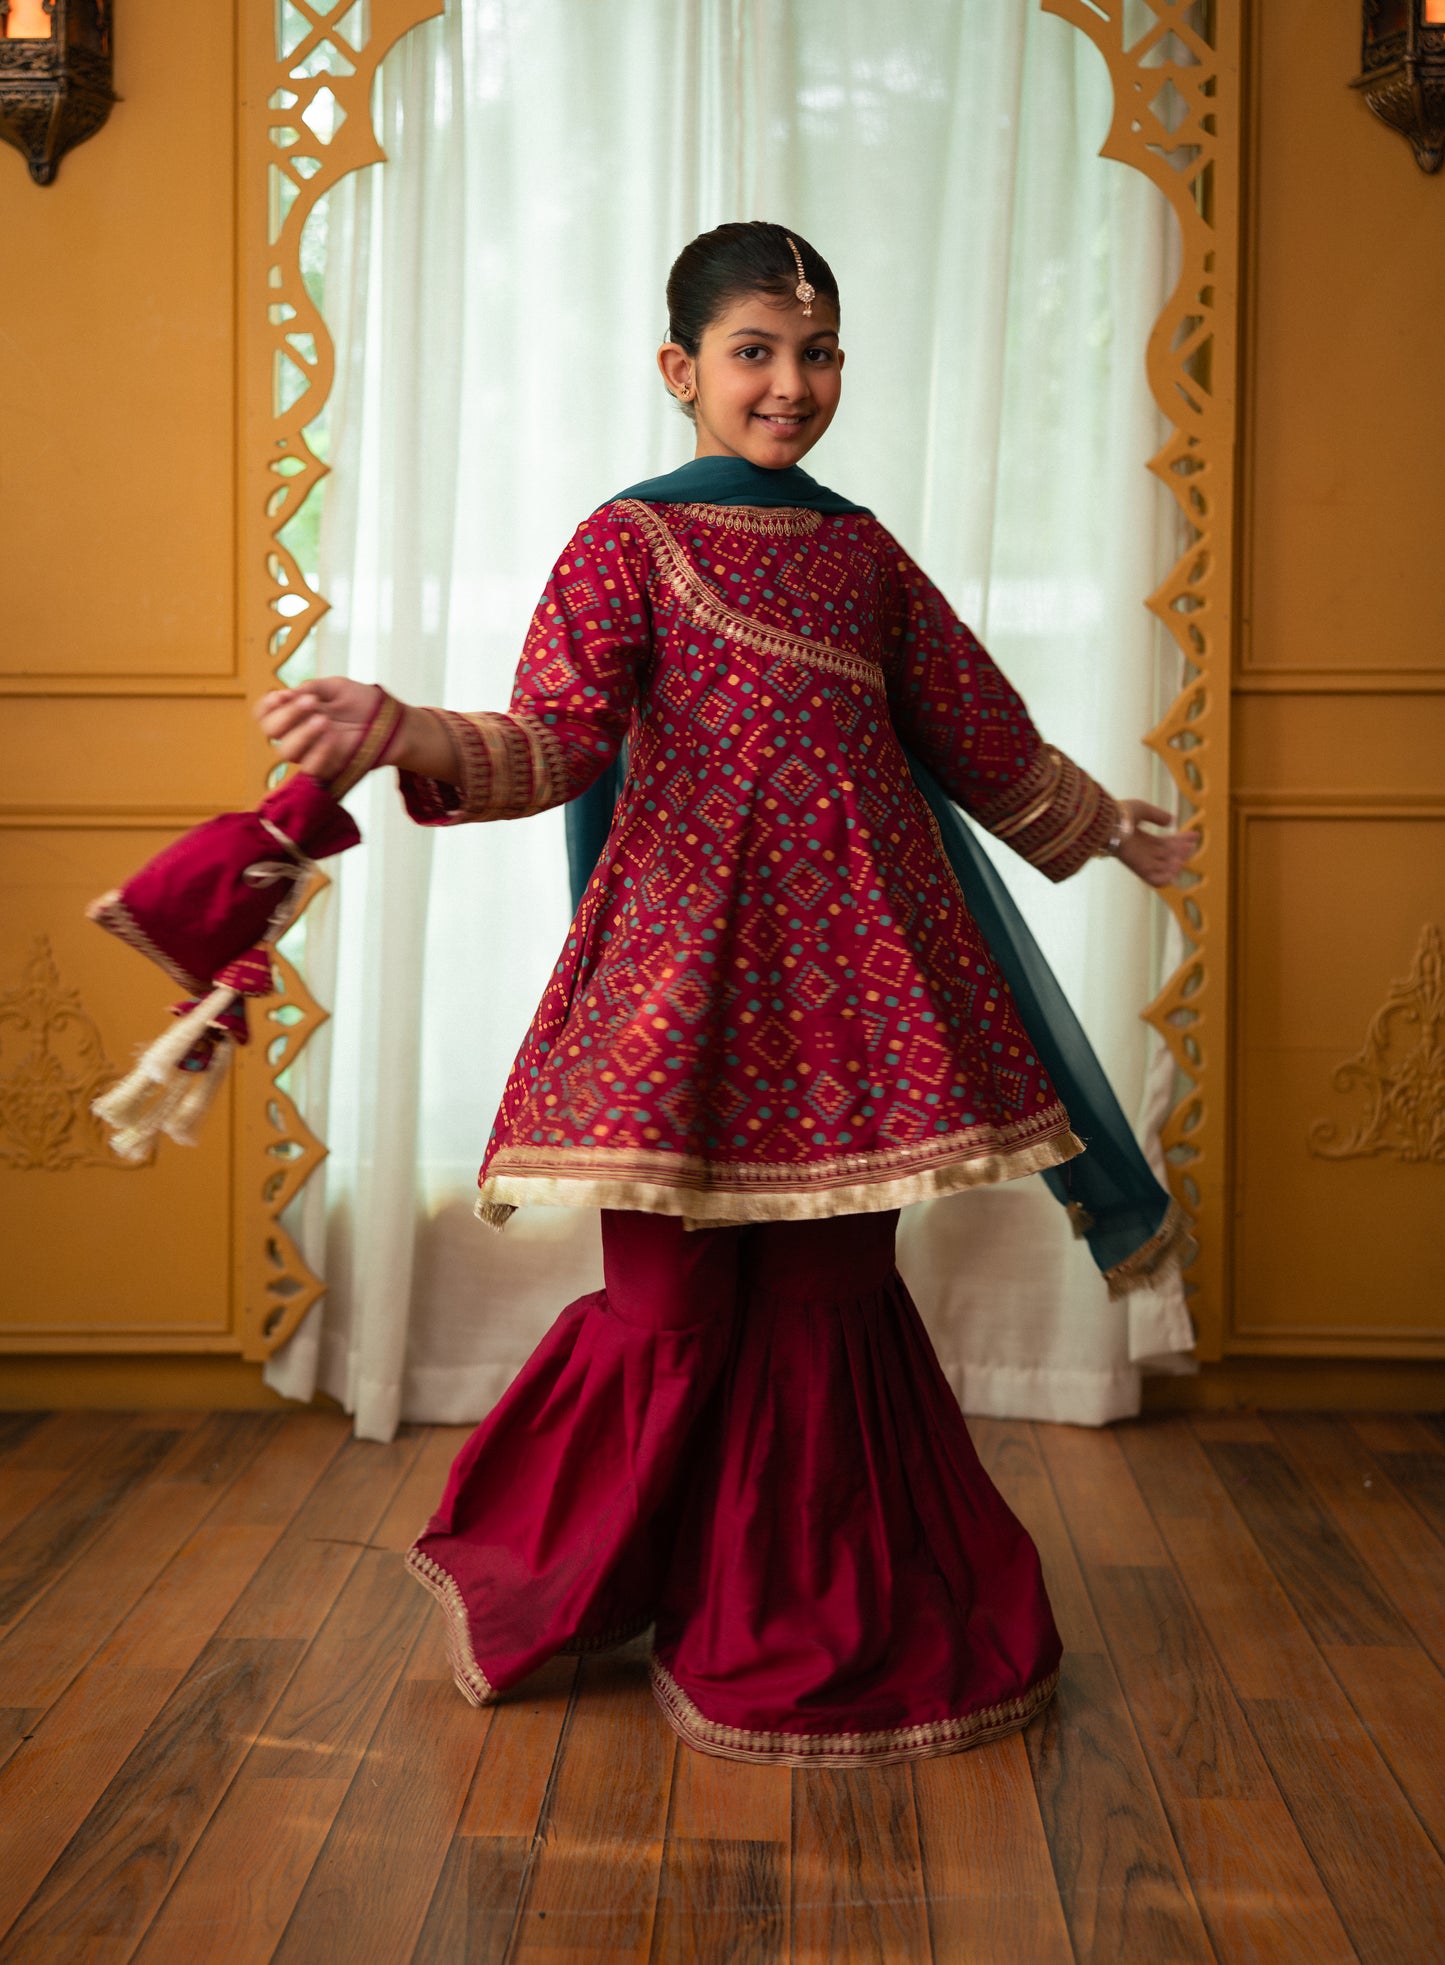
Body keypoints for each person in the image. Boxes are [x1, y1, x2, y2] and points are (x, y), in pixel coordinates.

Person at [257, 221, 1195, 1767]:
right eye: (755, 352)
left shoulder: (862, 551)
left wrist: (1104, 829)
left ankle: (811, 1624)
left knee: (827, 1312)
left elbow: (981, 738)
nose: (789, 384)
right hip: (678, 989)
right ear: (679, 370)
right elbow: (556, 743)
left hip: (858, 1005)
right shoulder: (626, 543)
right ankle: (561, 1571)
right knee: (667, 1306)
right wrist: (402, 726)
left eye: (816, 352)